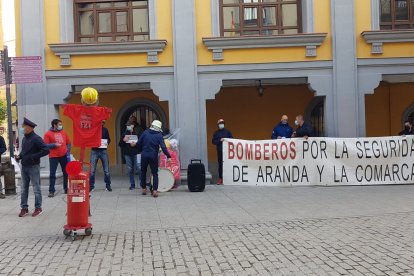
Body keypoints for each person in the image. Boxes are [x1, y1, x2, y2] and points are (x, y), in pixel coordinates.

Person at [16, 118, 50, 217]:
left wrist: (33, 157)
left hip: (33, 167)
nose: (22, 128)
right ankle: (24, 208)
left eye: (23, 126)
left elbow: (46, 150)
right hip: (24, 166)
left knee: (36, 188)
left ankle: (38, 208)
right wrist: (19, 156)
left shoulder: (36, 138)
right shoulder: (24, 138)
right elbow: (24, 151)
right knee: (23, 189)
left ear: (29, 128)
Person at [137, 120, 171, 198]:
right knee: (155, 173)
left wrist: (141, 150)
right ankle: (155, 191)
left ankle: (144, 189)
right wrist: (168, 156)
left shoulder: (145, 132)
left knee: (143, 172)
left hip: (144, 155)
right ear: (159, 128)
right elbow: (163, 147)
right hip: (153, 156)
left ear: (152, 126)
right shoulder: (159, 135)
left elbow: (138, 143)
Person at [43, 119, 71, 197]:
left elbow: (68, 143)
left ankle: (66, 189)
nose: (60, 126)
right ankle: (51, 191)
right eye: (59, 124)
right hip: (53, 156)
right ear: (54, 125)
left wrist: (68, 151)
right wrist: (54, 145)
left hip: (64, 155)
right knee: (52, 174)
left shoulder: (63, 132)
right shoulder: (48, 134)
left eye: (61, 124)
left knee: (66, 173)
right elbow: (44, 146)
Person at [90, 120, 112, 192]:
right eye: (101, 122)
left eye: (103, 122)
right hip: (94, 151)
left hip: (103, 150)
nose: (102, 123)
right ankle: (91, 186)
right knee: (92, 170)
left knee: (106, 170)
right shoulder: (93, 129)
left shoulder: (105, 130)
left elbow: (108, 139)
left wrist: (106, 143)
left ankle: (108, 185)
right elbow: (89, 138)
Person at [119, 120, 140, 190]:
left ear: (133, 126)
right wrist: (123, 140)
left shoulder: (136, 133)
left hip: (135, 153)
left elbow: (141, 143)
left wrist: (136, 144)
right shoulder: (124, 134)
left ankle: (141, 184)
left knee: (139, 168)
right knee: (130, 169)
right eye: (127, 125)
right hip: (127, 154)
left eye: (130, 125)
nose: (128, 127)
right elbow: (120, 144)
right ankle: (132, 184)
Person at [212, 119, 233, 185]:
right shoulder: (216, 133)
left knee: (228, 165)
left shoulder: (228, 132)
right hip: (220, 152)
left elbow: (232, 140)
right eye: (220, 123)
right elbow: (213, 141)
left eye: (222, 123)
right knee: (220, 165)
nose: (221, 124)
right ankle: (220, 179)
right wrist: (219, 140)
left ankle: (228, 179)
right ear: (218, 125)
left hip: (227, 152)